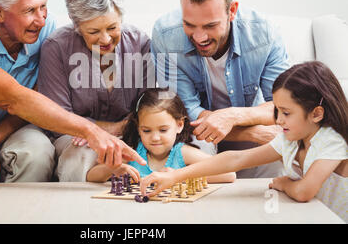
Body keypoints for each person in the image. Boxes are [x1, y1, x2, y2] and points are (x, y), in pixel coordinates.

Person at [0, 0, 145, 183]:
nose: (41, 19)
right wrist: (90, 130)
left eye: (43, 6)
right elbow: (15, 99)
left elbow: (36, 94)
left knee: (35, 153)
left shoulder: (43, 29)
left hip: (15, 122)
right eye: (30, 10)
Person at [141, 61, 348, 222]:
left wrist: (285, 183)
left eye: (286, 112)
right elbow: (236, 159)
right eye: (276, 111)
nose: (278, 120)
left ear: (317, 113)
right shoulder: (292, 139)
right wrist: (176, 176)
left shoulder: (332, 140)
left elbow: (303, 192)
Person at [151, 0, 289, 178]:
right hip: (199, 133)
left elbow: (284, 106)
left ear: (231, 11)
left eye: (210, 26)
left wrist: (234, 116)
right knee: (200, 147)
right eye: (189, 25)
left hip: (249, 120)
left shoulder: (264, 34)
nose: (199, 37)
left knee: (278, 152)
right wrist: (252, 132)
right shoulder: (165, 35)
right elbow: (185, 112)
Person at [38, 0, 153, 181]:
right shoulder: (56, 47)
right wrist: (110, 128)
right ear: (77, 25)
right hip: (76, 137)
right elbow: (60, 118)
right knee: (80, 154)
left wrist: (125, 130)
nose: (106, 39)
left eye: (112, 27)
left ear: (121, 17)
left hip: (133, 133)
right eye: (93, 32)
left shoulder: (140, 42)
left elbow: (149, 106)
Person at [86, 88, 236, 183]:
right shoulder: (131, 153)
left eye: (163, 130)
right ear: (138, 127)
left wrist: (180, 175)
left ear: (179, 125)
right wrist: (113, 169)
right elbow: (91, 176)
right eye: (146, 130)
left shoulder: (182, 153)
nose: (155, 137)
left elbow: (229, 174)